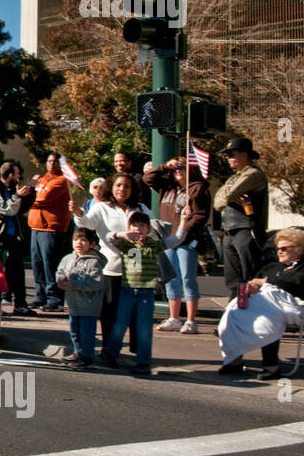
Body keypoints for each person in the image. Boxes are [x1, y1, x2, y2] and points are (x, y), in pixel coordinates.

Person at [217, 228, 304, 380]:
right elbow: (256, 281)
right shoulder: (271, 267)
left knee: (266, 319)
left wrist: (267, 282)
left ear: (299, 249)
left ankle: (271, 366)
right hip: (263, 306)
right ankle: (234, 360)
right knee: (232, 315)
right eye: (278, 249)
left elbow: (298, 282)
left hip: (296, 310)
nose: (279, 252)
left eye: (284, 248)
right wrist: (253, 287)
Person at [99, 210, 187, 375]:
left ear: (148, 229)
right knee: (120, 324)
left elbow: (176, 239)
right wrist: (122, 234)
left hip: (146, 293)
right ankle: (110, 353)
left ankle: (143, 361)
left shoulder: (153, 245)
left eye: (142, 226)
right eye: (134, 225)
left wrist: (183, 220)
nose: (138, 229)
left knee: (144, 328)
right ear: (128, 228)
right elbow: (109, 237)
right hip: (127, 290)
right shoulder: (125, 245)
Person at [73, 173, 152, 352]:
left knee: (136, 313)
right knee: (110, 312)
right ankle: (109, 350)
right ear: (111, 187)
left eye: (126, 186)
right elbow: (87, 223)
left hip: (136, 268)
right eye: (118, 186)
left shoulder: (141, 208)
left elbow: (153, 228)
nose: (121, 190)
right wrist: (78, 213)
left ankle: (138, 350)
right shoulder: (102, 208)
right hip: (111, 268)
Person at [145, 156, 211, 334]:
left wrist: (184, 229)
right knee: (171, 278)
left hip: (187, 241)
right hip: (168, 240)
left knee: (188, 278)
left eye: (182, 167)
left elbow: (201, 215)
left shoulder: (198, 188)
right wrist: (164, 166)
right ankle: (174, 318)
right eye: (175, 169)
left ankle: (191, 320)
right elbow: (148, 178)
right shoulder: (167, 187)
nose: (178, 171)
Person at [213, 136, 268, 303]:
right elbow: (217, 201)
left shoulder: (254, 174)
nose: (229, 159)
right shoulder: (234, 177)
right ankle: (235, 317)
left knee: (249, 277)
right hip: (230, 231)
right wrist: (227, 198)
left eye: (232, 154)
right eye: (228, 155)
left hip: (247, 230)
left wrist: (228, 197)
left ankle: (252, 316)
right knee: (234, 280)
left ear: (245, 155)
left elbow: (229, 194)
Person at [0, 160, 35, 315]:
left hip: (13, 236)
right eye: (17, 174)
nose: (19, 177)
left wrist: (29, 192)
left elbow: (21, 210)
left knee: (17, 272)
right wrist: (17, 196)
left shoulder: (12, 188)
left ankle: (20, 305)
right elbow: (5, 209)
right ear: (10, 174)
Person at [26, 151, 72, 311]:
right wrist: (31, 188)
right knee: (37, 264)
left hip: (51, 229)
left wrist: (31, 191)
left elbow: (43, 198)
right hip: (36, 227)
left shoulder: (61, 181)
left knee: (50, 265)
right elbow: (28, 193)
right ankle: (40, 296)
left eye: (55, 161)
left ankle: (55, 300)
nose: (51, 164)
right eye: (49, 161)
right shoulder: (42, 179)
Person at [55, 227, 105, 368]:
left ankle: (87, 355)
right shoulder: (68, 259)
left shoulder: (94, 262)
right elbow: (59, 272)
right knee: (74, 331)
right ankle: (77, 352)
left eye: (83, 240)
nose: (79, 243)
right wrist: (61, 280)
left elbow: (96, 283)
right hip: (72, 303)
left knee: (86, 332)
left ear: (92, 244)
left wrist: (74, 283)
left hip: (89, 305)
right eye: (76, 239)